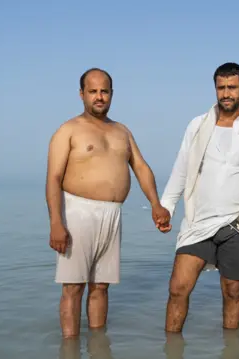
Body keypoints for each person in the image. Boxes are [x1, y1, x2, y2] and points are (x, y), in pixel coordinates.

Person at [46, 67, 170, 338]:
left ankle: (98, 347)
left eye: (104, 91)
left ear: (112, 94)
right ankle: (69, 349)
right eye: (93, 91)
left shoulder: (122, 131)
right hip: (77, 212)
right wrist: (56, 222)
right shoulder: (68, 130)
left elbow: (140, 167)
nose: (99, 97)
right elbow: (53, 178)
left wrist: (156, 204)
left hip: (113, 214)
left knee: (101, 286)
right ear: (81, 94)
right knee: (73, 286)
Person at [157, 62, 239, 332]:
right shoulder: (197, 126)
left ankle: (231, 349)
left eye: (232, 87)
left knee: (233, 291)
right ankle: (171, 348)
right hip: (198, 220)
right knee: (178, 288)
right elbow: (181, 169)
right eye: (221, 88)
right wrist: (167, 206)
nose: (226, 93)